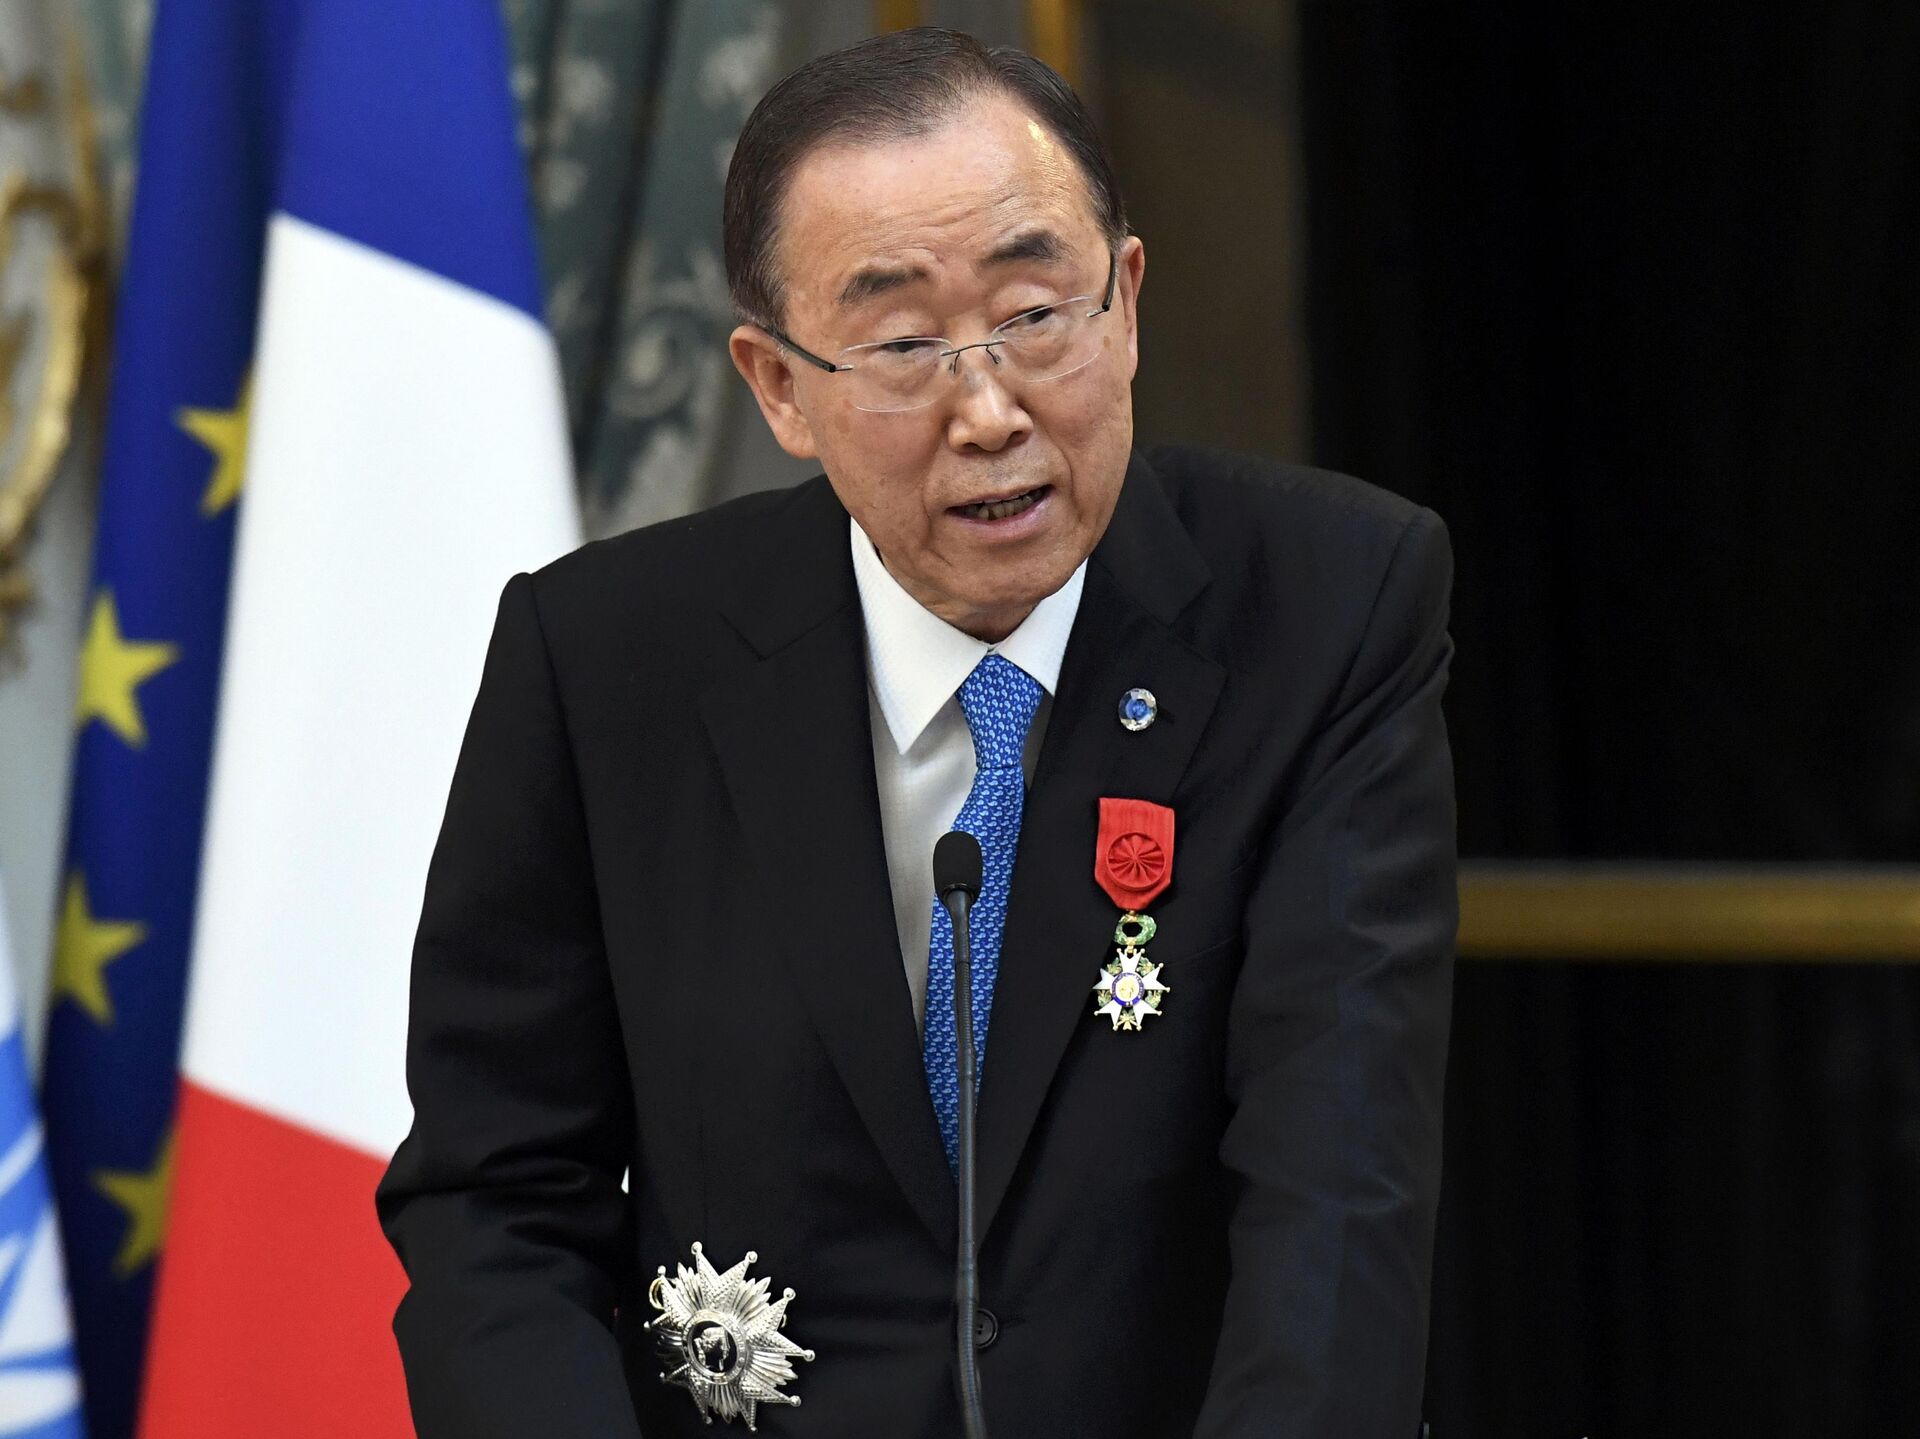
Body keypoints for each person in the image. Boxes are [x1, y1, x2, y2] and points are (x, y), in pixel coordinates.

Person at [377, 26, 1457, 1439]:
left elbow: (1339, 1192)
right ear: (779, 387)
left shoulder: (1326, 610)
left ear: (1128, 303)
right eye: (901, 346)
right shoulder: (606, 660)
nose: (991, 411)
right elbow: (499, 1197)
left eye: (1036, 314)